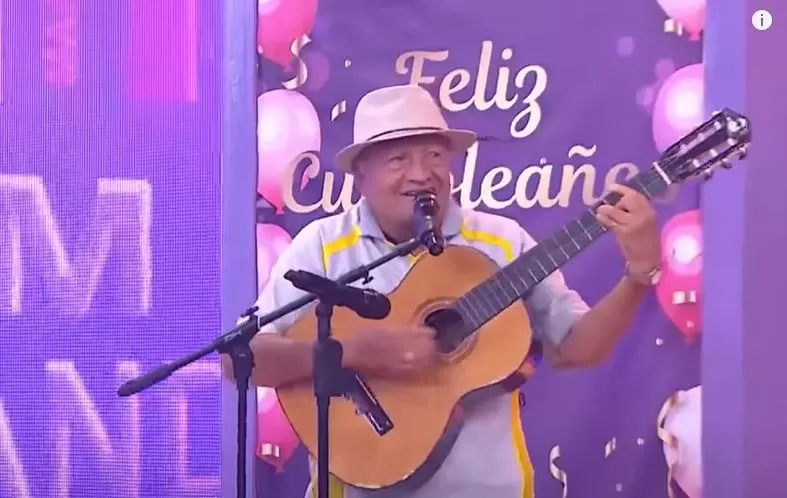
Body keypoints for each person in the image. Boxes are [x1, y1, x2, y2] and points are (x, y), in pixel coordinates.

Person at [223, 84, 662, 498]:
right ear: (361, 172)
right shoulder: (323, 245)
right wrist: (352, 352)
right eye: (397, 159)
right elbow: (240, 358)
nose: (421, 173)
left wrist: (639, 273)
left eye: (435, 154)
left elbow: (577, 348)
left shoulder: (502, 242)